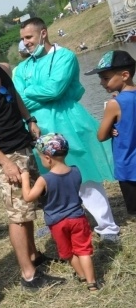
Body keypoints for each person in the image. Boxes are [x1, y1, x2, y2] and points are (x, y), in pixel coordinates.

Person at [0, 34, 64, 289]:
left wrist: (30, 120)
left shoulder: (4, 69)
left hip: (23, 145)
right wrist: (5, 163)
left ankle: (33, 256)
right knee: (17, 215)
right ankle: (29, 275)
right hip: (5, 155)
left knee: (28, 209)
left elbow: (15, 97)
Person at [14, 17, 120, 241]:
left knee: (84, 174)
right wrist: (38, 94)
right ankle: (63, 222)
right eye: (23, 39)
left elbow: (55, 90)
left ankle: (107, 227)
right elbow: (18, 99)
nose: (25, 43)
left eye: (29, 37)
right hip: (37, 129)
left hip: (68, 124)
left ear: (43, 33)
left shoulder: (66, 56)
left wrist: (32, 92)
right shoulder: (21, 68)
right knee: (50, 182)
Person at [22, 134, 99, 291]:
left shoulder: (44, 179)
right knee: (83, 251)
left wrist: (24, 177)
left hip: (58, 222)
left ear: (48, 158)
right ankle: (92, 283)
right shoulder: (76, 171)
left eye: (41, 157)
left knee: (69, 253)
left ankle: (81, 276)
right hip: (78, 218)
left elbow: (28, 197)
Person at [94, 50, 136, 214]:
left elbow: (101, 135)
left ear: (125, 75)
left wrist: (111, 128)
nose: (101, 83)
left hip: (128, 168)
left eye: (105, 78)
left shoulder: (114, 104)